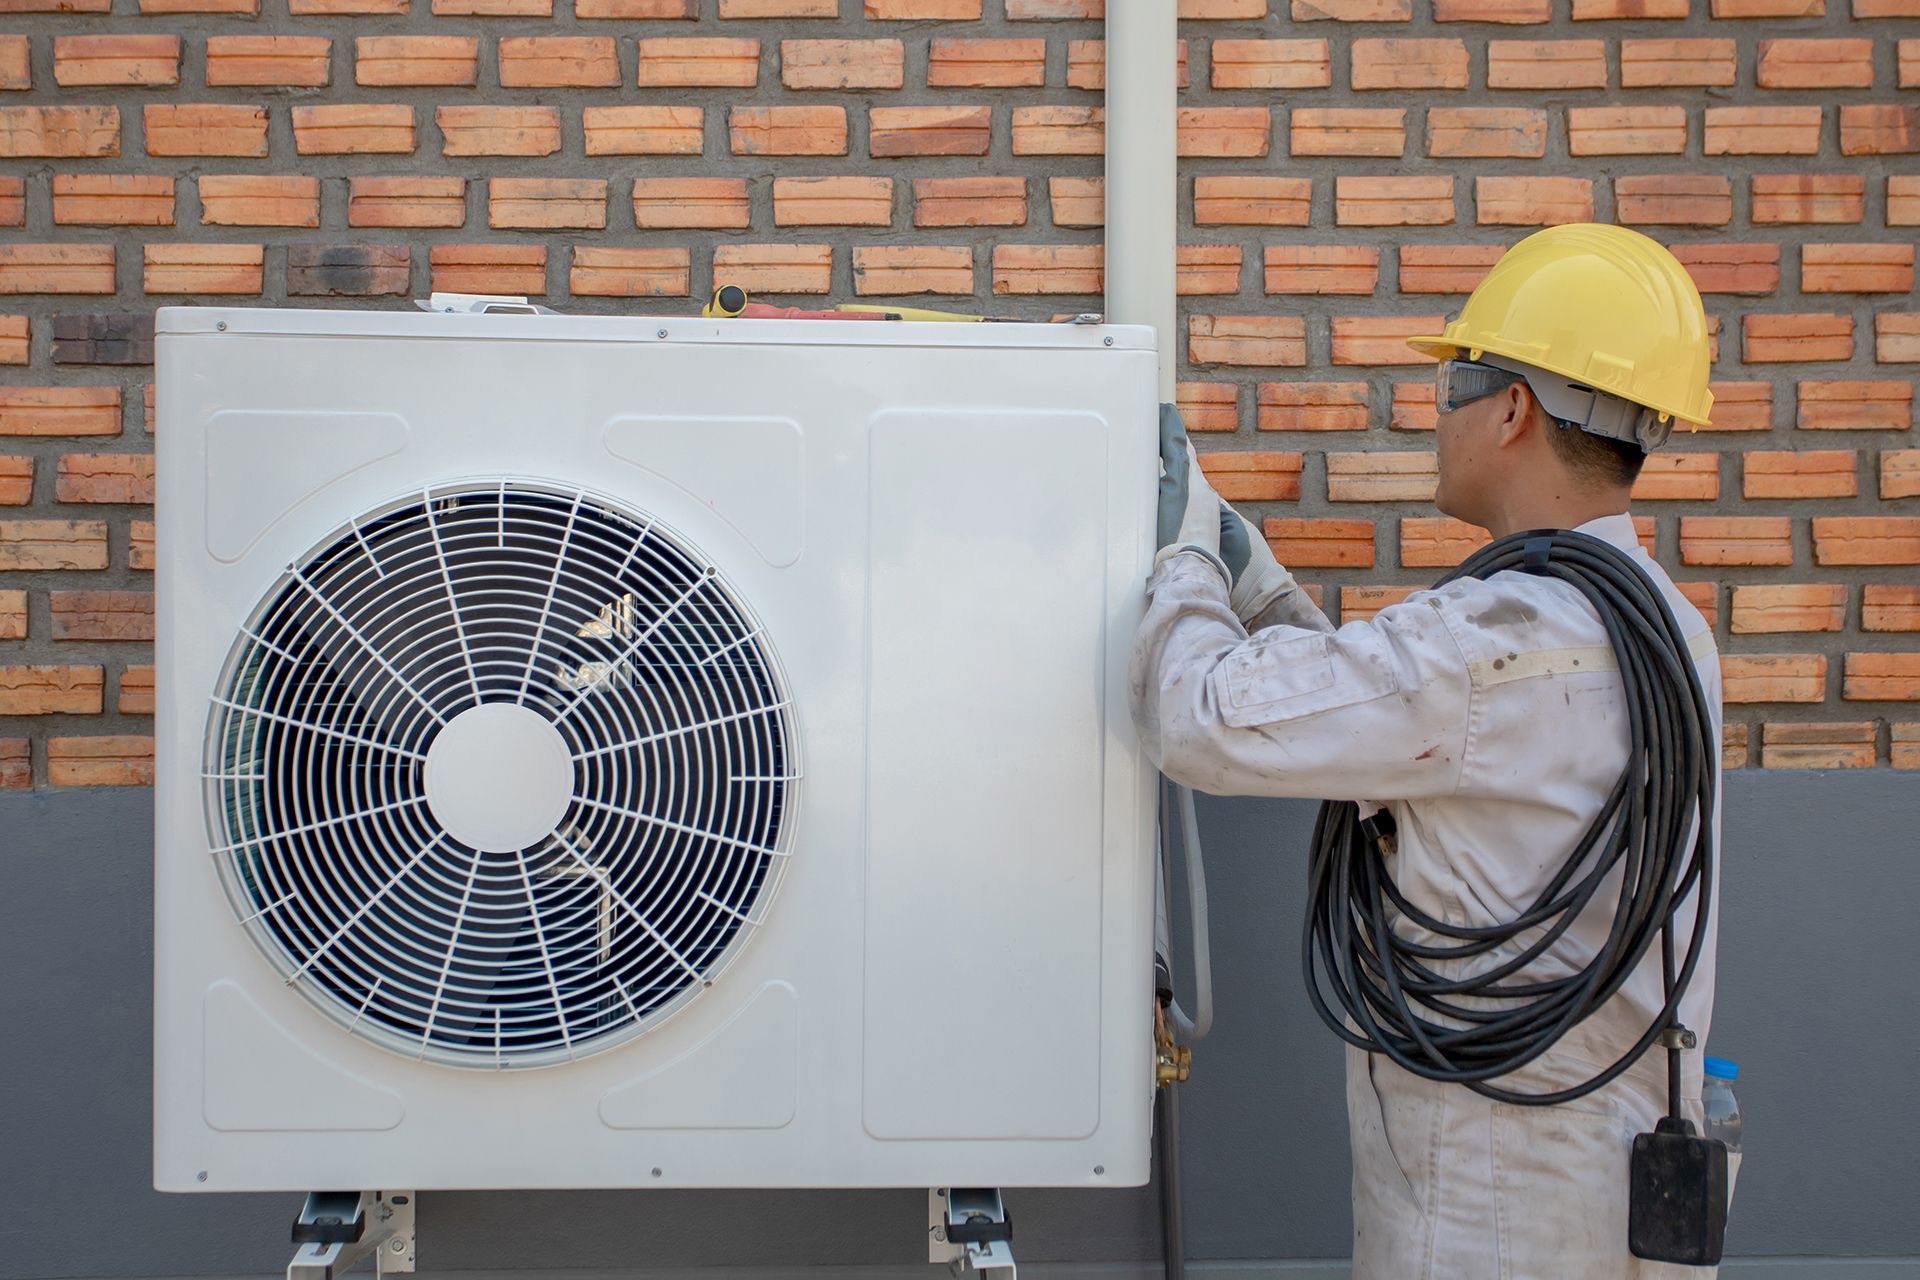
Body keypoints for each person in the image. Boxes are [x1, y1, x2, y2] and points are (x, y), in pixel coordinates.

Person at [1130, 223, 1732, 1279]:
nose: (1437, 406)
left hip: (1493, 1205)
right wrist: (1259, 582)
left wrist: (1177, 554)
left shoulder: (1487, 644)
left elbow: (1198, 716)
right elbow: (1418, 740)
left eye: (1457, 377)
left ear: (1515, 409)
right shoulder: (1666, 629)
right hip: (1621, 1168)